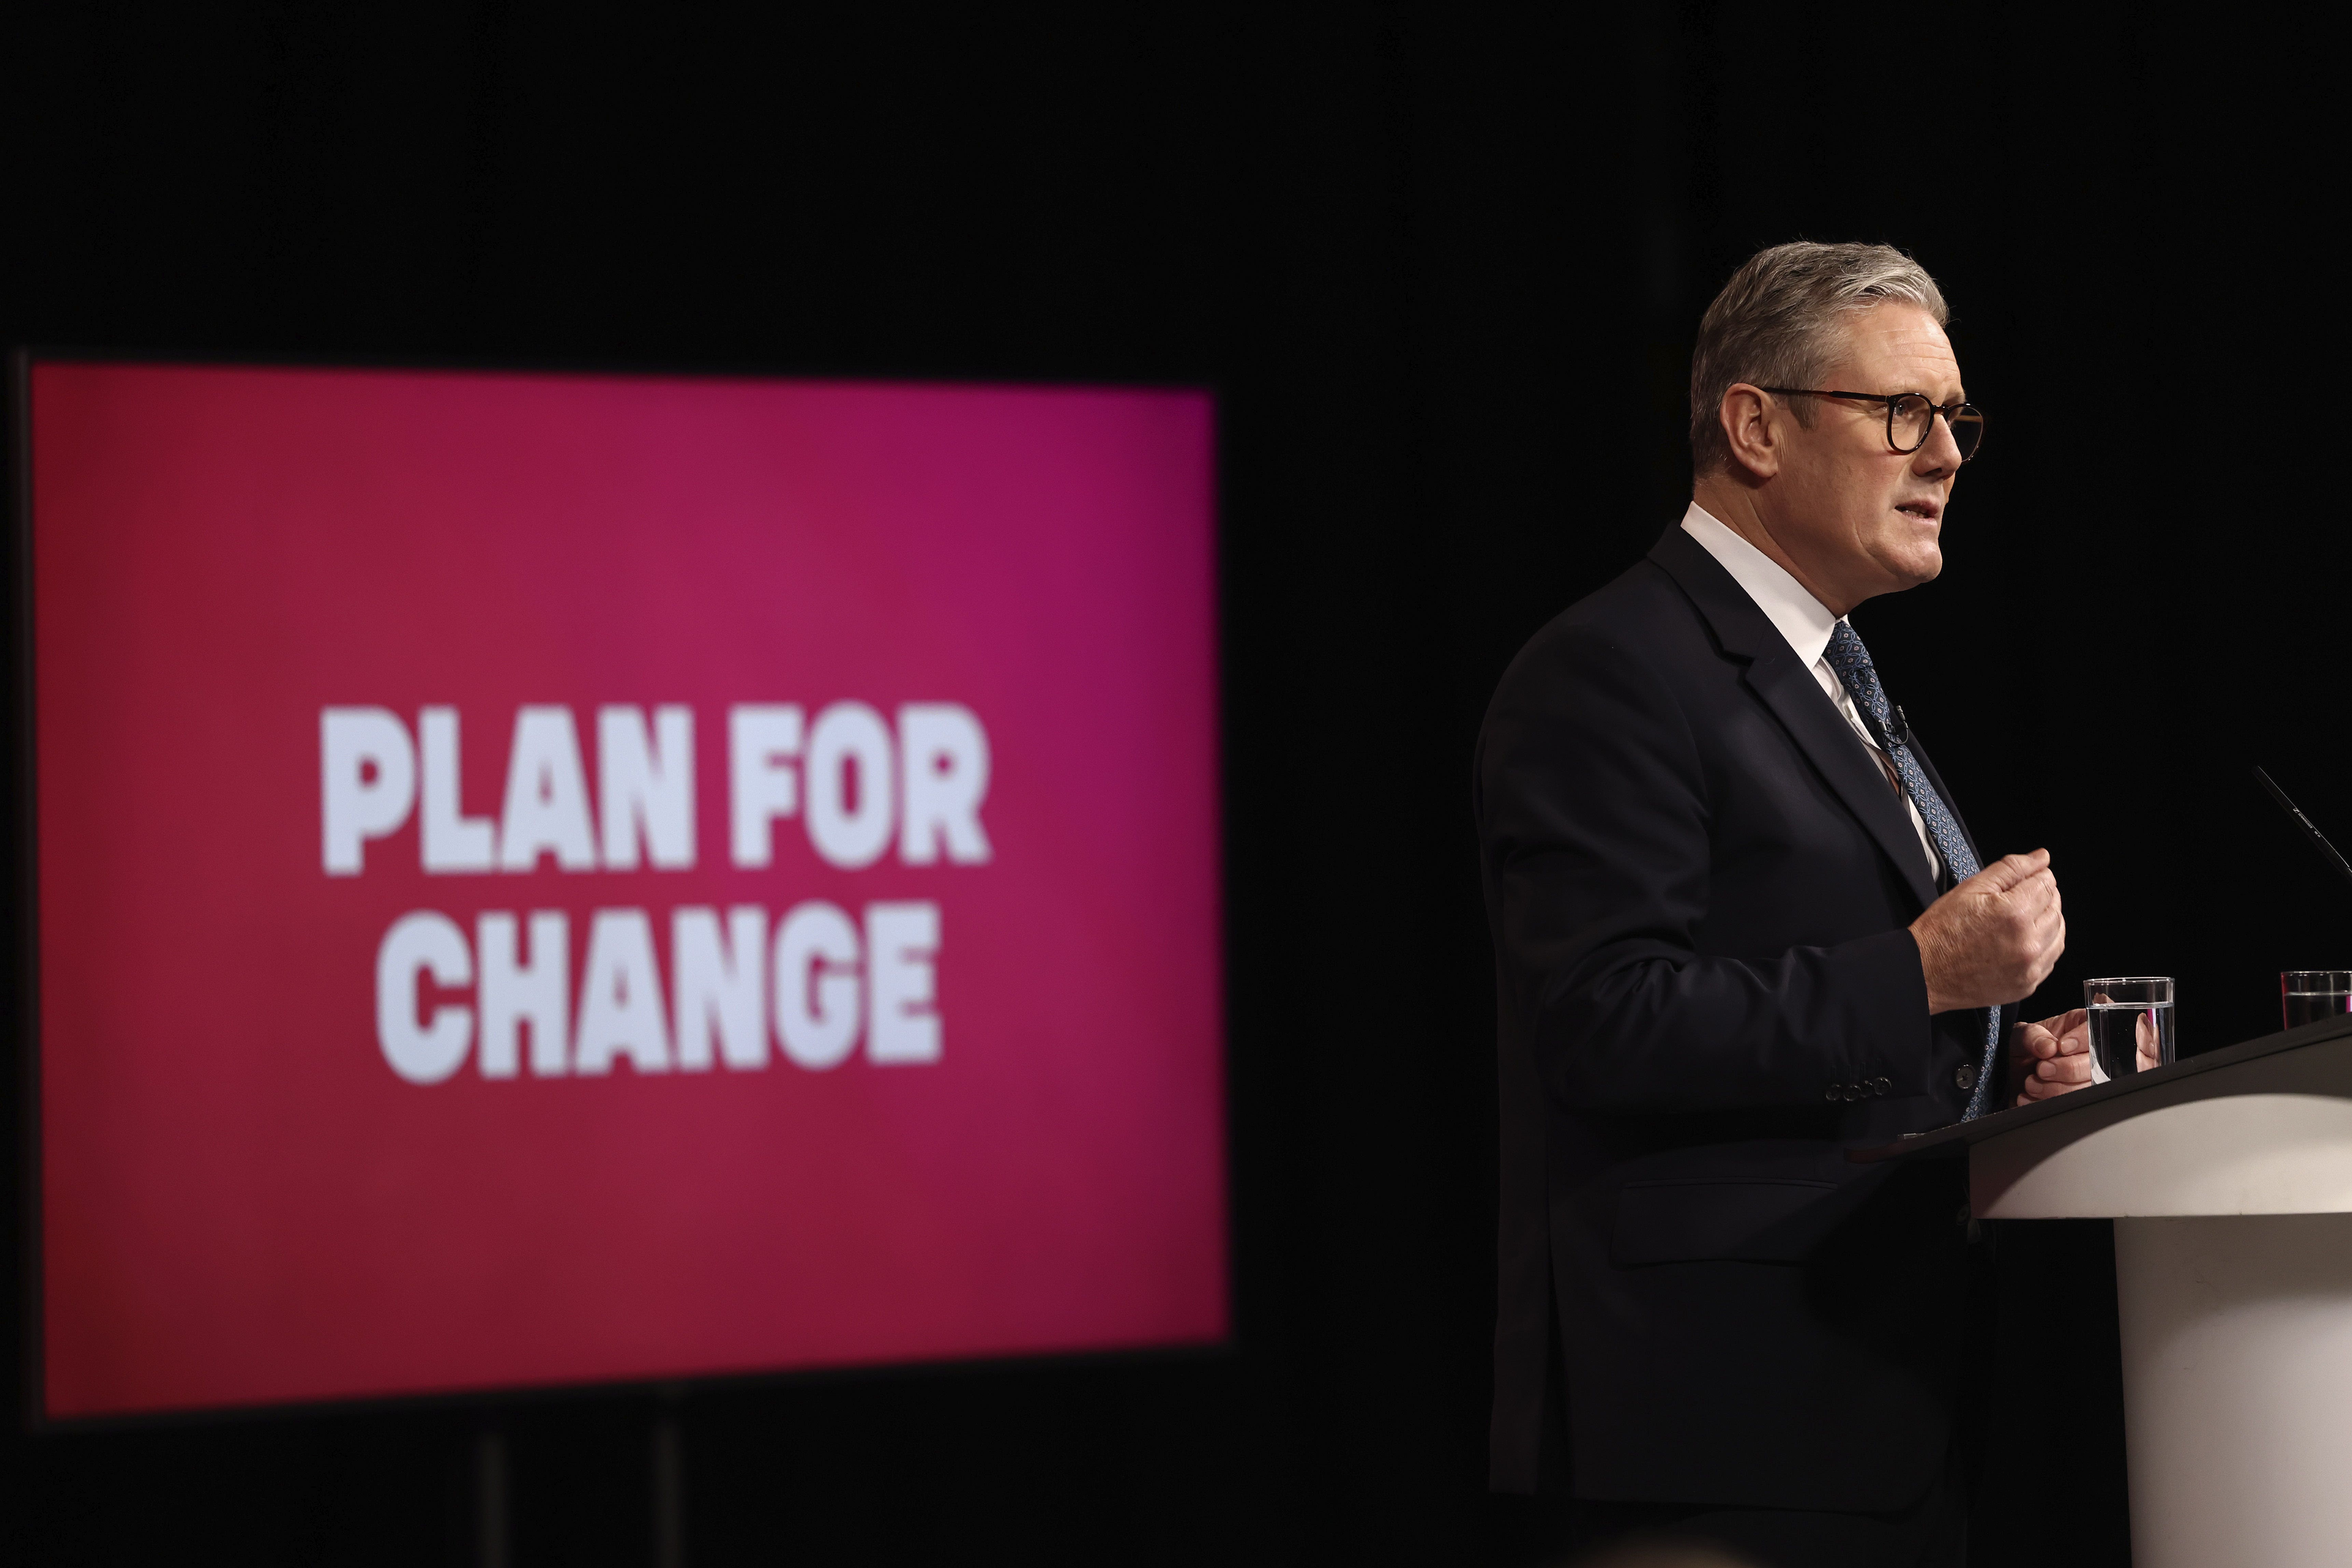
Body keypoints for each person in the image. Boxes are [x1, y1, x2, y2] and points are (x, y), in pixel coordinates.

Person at [1475, 241, 2097, 1568]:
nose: (1943, 456)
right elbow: (1599, 1019)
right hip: (1721, 1422)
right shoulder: (1614, 668)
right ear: (1755, 426)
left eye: (1953, 422)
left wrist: (1997, 1064)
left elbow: (1836, 1000)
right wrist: (1925, 980)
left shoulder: (1835, 672)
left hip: (1884, 1398)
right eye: (1900, 414)